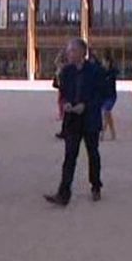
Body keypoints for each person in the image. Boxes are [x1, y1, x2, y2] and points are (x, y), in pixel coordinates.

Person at [45, 38, 103, 206]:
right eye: (68, 50)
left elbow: (100, 94)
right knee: (70, 156)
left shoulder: (95, 71)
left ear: (82, 53)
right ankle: (63, 193)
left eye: (72, 50)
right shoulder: (66, 72)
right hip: (72, 120)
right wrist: (67, 103)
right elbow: (62, 92)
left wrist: (85, 105)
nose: (68, 53)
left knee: (93, 154)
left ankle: (96, 185)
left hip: (90, 118)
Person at [100, 55, 118, 141]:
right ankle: (113, 133)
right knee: (108, 115)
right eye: (103, 62)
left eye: (105, 62)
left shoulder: (112, 72)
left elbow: (116, 72)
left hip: (111, 96)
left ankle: (102, 133)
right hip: (103, 96)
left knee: (106, 113)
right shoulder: (101, 72)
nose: (104, 63)